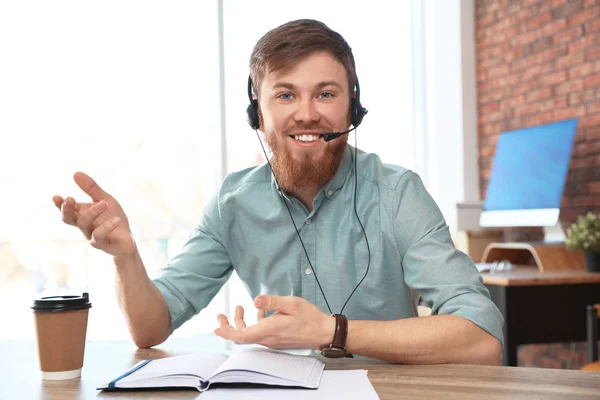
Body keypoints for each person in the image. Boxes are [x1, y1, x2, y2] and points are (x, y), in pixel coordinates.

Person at [53, 19, 504, 364]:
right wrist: (126, 257)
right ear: (258, 113)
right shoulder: (233, 204)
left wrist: (332, 331)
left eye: (325, 94)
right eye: (285, 95)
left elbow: (482, 339)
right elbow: (151, 328)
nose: (307, 114)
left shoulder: (397, 193)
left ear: (353, 107)